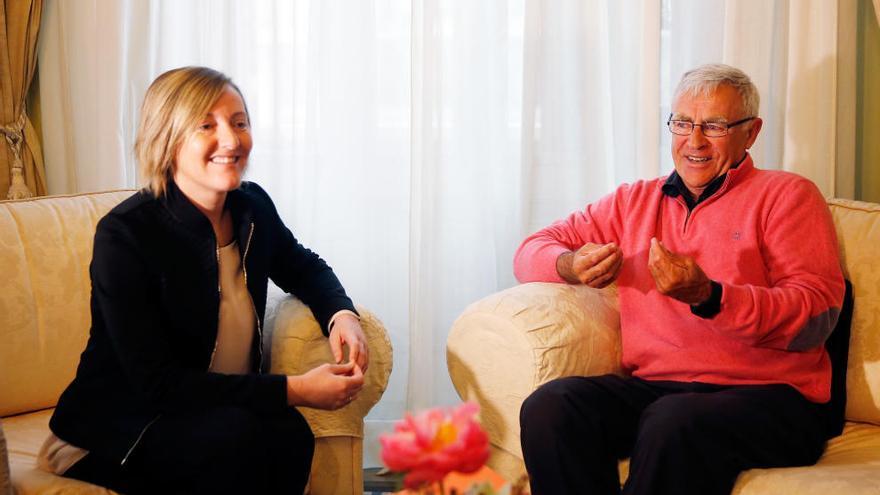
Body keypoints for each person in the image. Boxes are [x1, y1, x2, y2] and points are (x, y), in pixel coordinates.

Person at [515, 64, 845, 495]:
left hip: (774, 398)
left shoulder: (788, 196)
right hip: (660, 389)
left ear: (752, 132)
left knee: (672, 422)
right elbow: (531, 250)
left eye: (714, 125)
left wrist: (711, 297)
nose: (694, 141)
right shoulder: (632, 201)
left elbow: (816, 317)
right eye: (683, 123)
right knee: (550, 407)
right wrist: (570, 264)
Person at [39, 66, 369, 494]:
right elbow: (158, 385)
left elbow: (302, 265)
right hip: (119, 427)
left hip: (213, 413)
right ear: (169, 140)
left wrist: (341, 314)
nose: (231, 140)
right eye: (206, 125)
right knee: (237, 440)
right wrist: (297, 388)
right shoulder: (125, 236)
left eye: (239, 122)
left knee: (291, 434)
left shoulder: (252, 207)